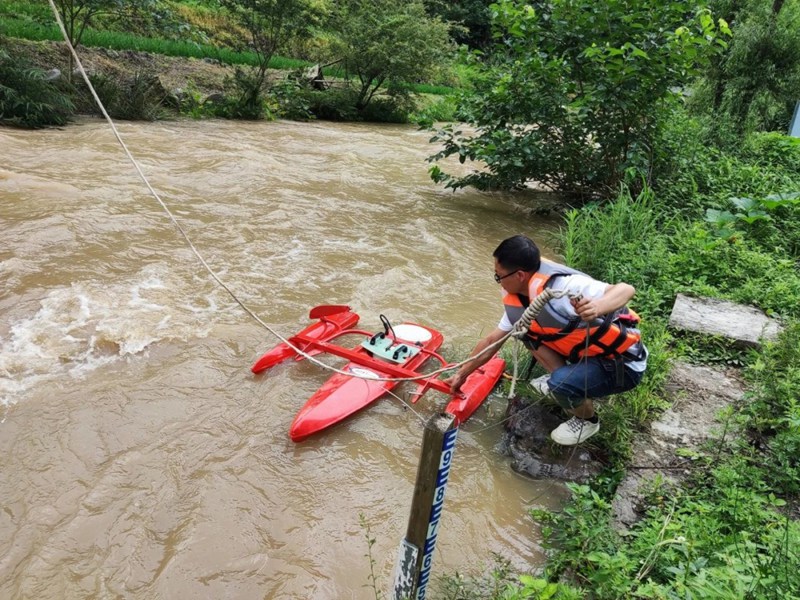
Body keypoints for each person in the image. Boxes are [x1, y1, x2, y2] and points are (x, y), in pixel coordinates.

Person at [445, 234, 647, 445]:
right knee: (525, 333)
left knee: (560, 384)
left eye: (499, 276)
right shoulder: (524, 302)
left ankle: (587, 419)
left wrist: (597, 307)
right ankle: (566, 377)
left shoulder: (564, 287)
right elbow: (491, 342)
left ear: (520, 275)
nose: (499, 283)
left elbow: (626, 289)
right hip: (587, 354)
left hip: (621, 365)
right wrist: (462, 374)